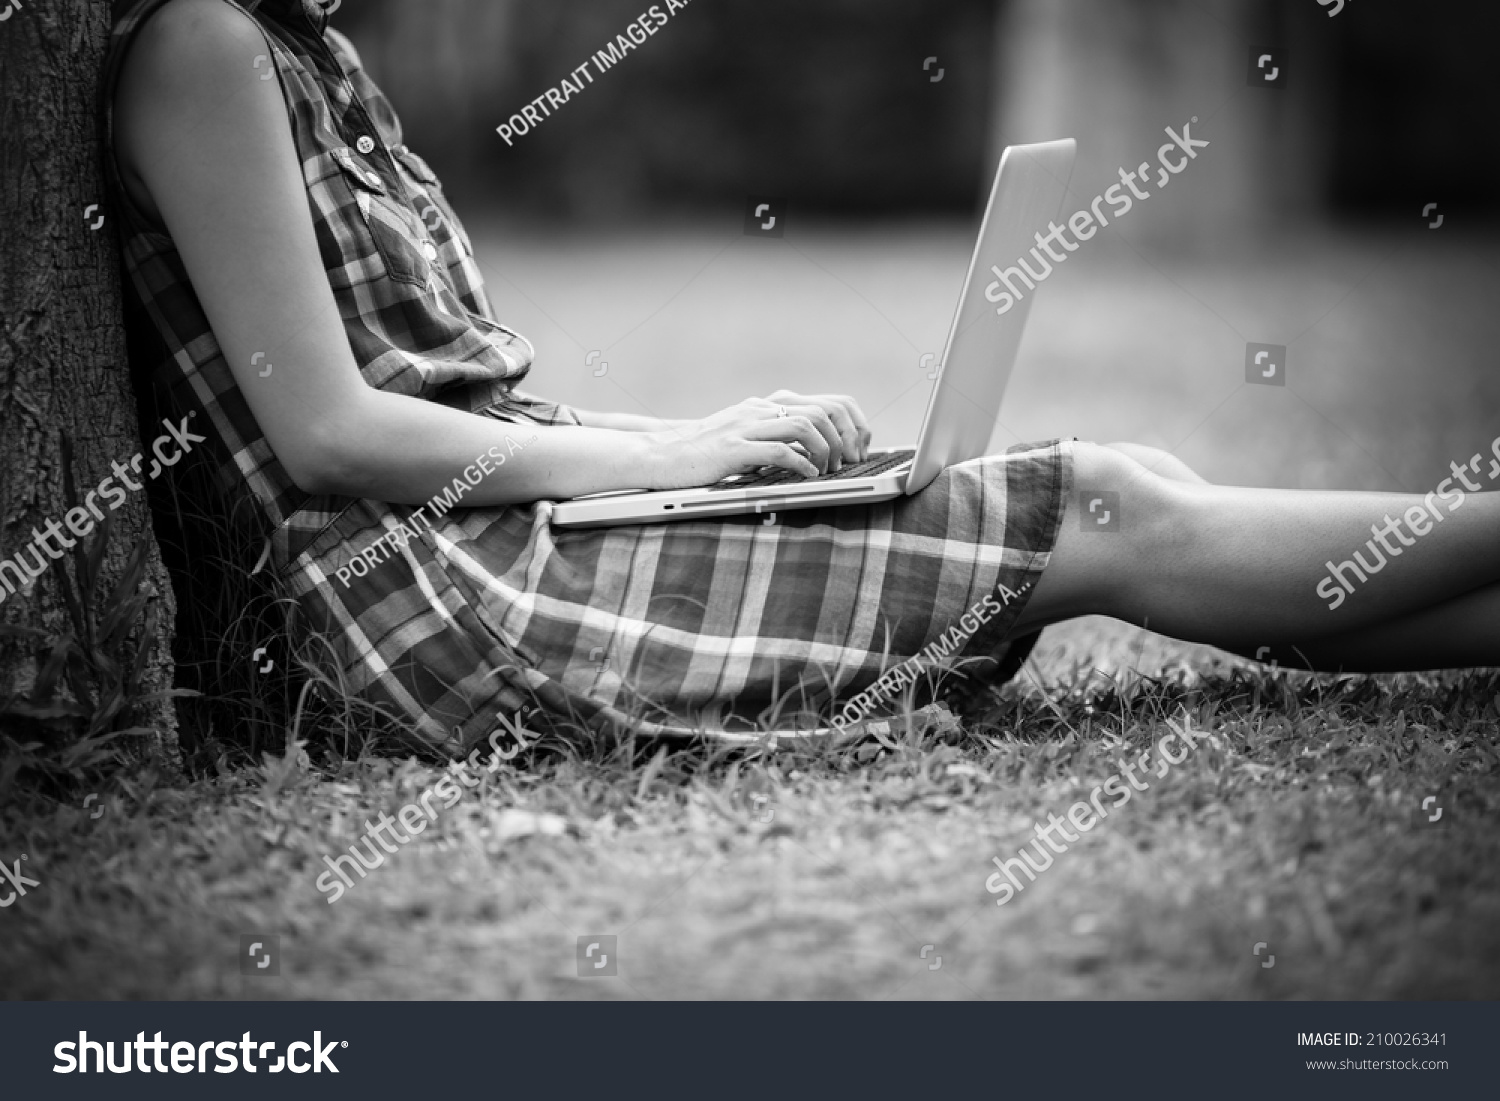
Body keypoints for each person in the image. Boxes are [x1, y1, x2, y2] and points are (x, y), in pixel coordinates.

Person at [103, 0, 1500, 753]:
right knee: (1111, 504)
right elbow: (329, 433)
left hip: (496, 534)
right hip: (424, 594)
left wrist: (706, 440)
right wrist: (661, 463)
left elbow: (464, 407)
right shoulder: (200, 47)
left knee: (1141, 495)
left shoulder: (314, 55)